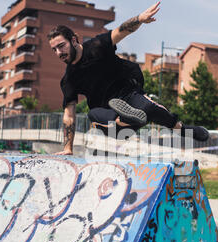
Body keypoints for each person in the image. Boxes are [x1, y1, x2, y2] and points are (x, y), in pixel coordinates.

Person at [48, 2, 209, 155]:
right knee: (94, 115)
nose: (58, 53)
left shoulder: (97, 46)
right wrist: (68, 148)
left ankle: (183, 130)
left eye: (61, 46)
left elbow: (122, 30)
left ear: (74, 40)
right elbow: (69, 115)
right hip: (109, 119)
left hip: (128, 95)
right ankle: (123, 119)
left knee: (150, 108)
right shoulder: (69, 79)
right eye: (54, 49)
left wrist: (139, 19)